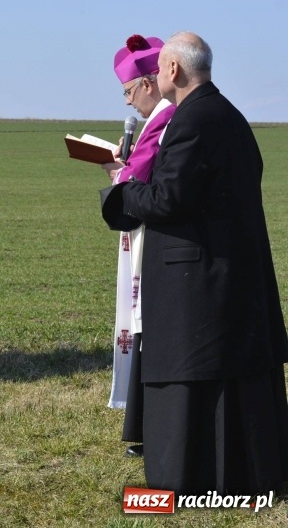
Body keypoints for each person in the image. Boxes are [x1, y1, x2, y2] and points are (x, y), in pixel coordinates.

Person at [100, 31, 288, 495]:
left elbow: (168, 199)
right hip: (228, 273)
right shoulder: (229, 116)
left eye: (158, 67)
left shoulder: (193, 121)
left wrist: (120, 186)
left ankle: (188, 482)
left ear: (173, 70)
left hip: (198, 280)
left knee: (199, 378)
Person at [103, 35, 176, 459]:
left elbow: (137, 181)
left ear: (149, 84)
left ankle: (155, 428)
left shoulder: (165, 120)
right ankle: (148, 425)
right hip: (142, 234)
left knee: (150, 328)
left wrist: (115, 173)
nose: (128, 103)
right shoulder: (154, 122)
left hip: (157, 241)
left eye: (129, 92)